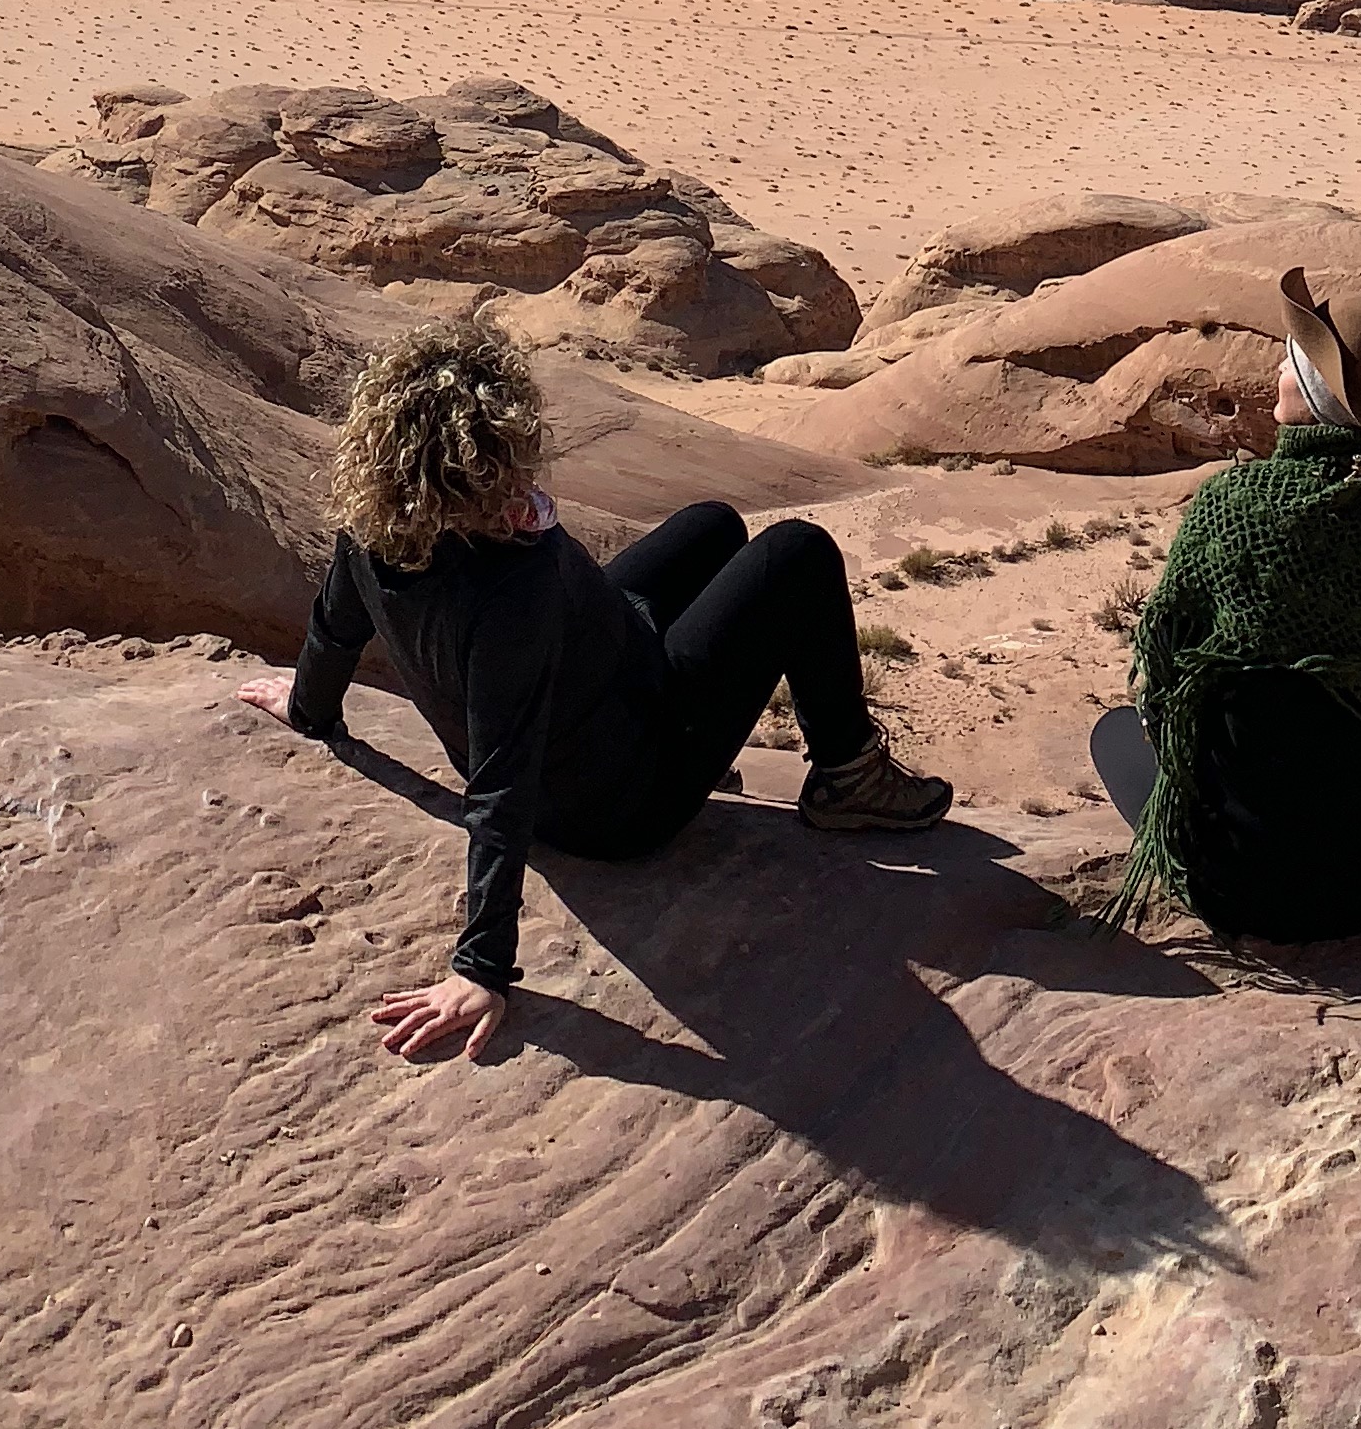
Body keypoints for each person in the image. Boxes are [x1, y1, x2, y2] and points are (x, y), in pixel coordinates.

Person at [235, 310, 950, 1060]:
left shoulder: (375, 533)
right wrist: (481, 967)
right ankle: (849, 776)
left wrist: (308, 708)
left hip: (608, 678)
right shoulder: (512, 587)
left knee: (712, 525)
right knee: (796, 553)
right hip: (624, 800)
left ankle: (783, 750)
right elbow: (501, 784)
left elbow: (335, 627)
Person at [1096, 267, 1361, 943]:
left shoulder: (1232, 511)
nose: (1275, 368)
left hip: (1231, 885)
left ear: (1311, 390)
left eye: (1292, 360)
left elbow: (1167, 671)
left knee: (1122, 736)